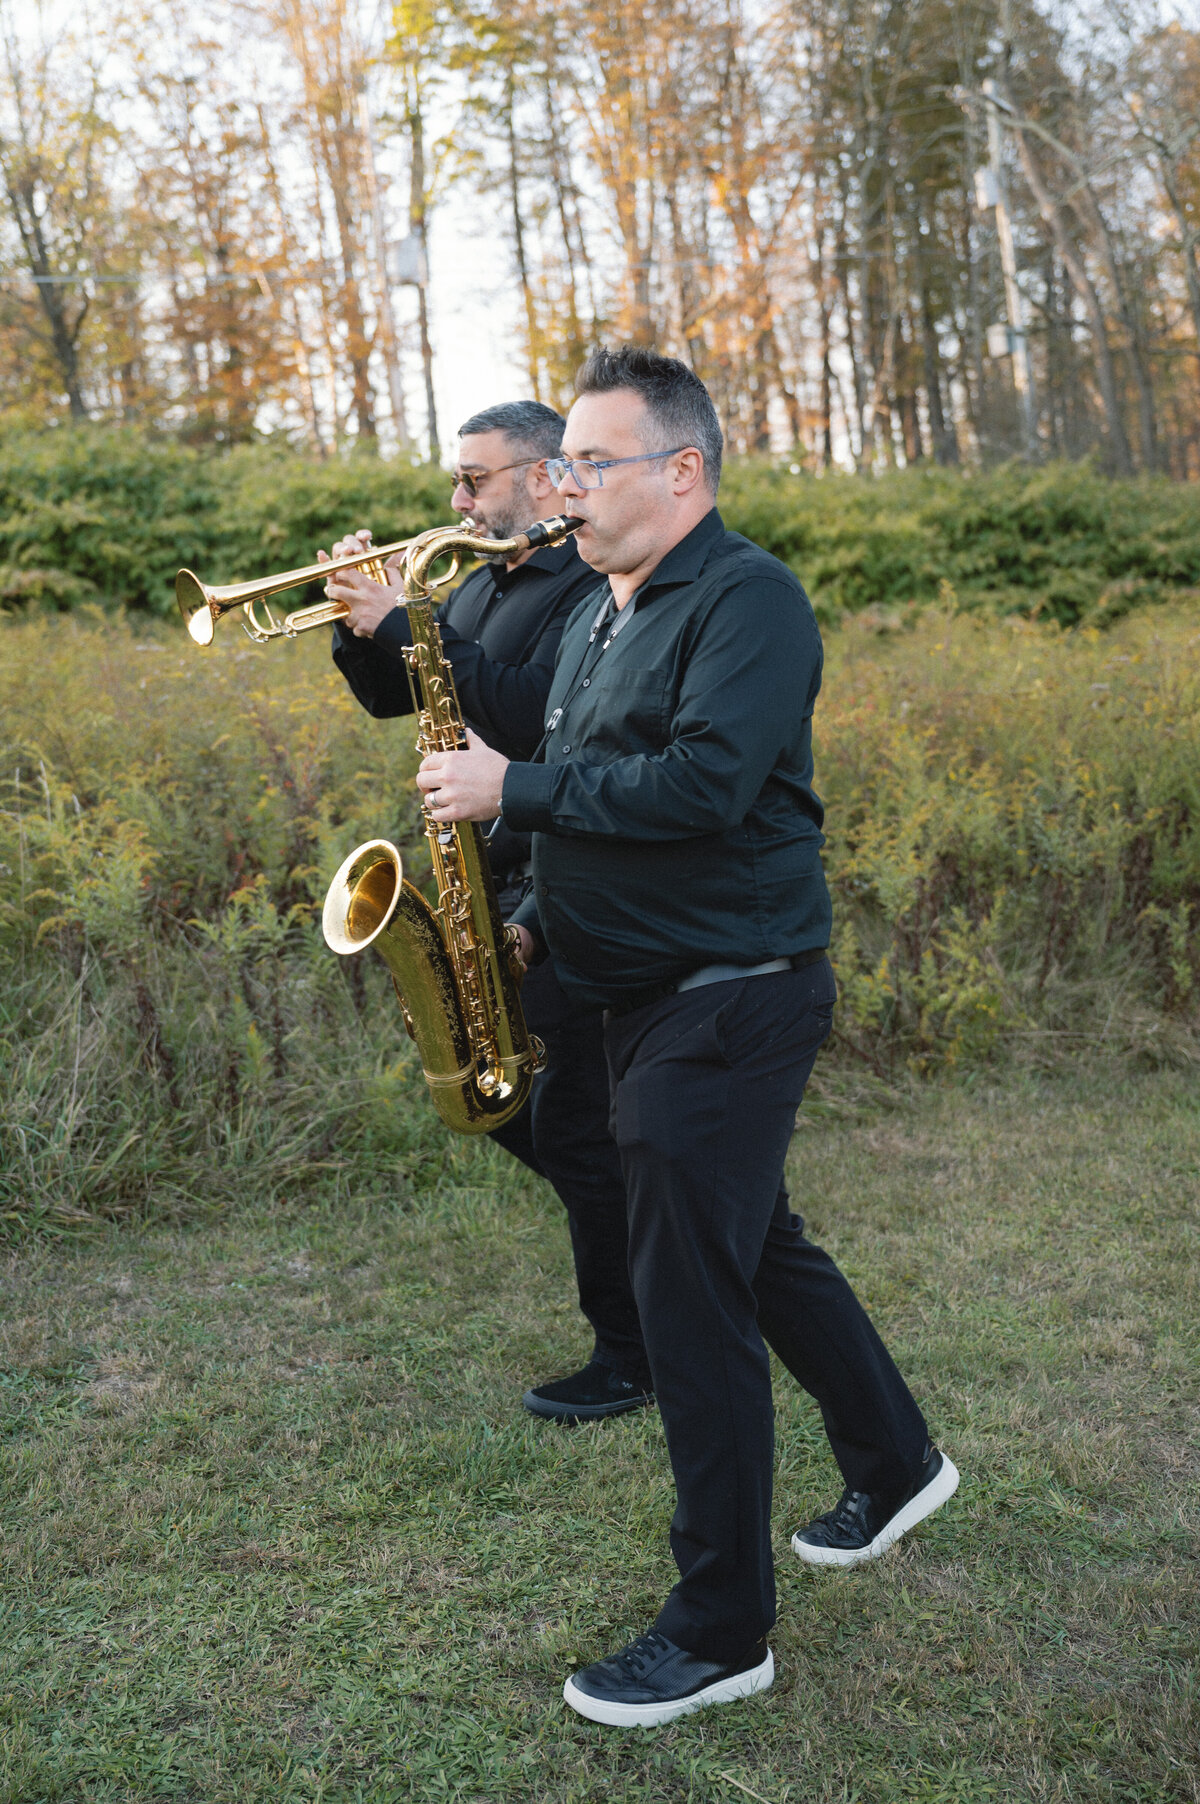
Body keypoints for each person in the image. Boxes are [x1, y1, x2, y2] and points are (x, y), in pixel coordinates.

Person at [414, 348, 960, 1730]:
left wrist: (508, 783)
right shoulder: (604, 608)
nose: (563, 487)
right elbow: (581, 795)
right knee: (751, 1245)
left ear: (683, 470)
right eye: (562, 465)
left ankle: (723, 1629)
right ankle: (897, 1463)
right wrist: (527, 912)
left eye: (590, 462)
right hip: (627, 986)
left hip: (735, 990)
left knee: (689, 1300)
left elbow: (709, 786)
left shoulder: (753, 600)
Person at [321, 400, 652, 1424]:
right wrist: (357, 626)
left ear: (548, 477)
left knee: (577, 1128)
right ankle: (659, 1257)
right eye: (454, 482)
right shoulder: (469, 585)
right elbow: (407, 699)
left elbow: (528, 714)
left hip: (563, 873)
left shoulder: (585, 590)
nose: (458, 501)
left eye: (477, 479)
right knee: (518, 1106)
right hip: (487, 870)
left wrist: (407, 621)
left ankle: (633, 1347)